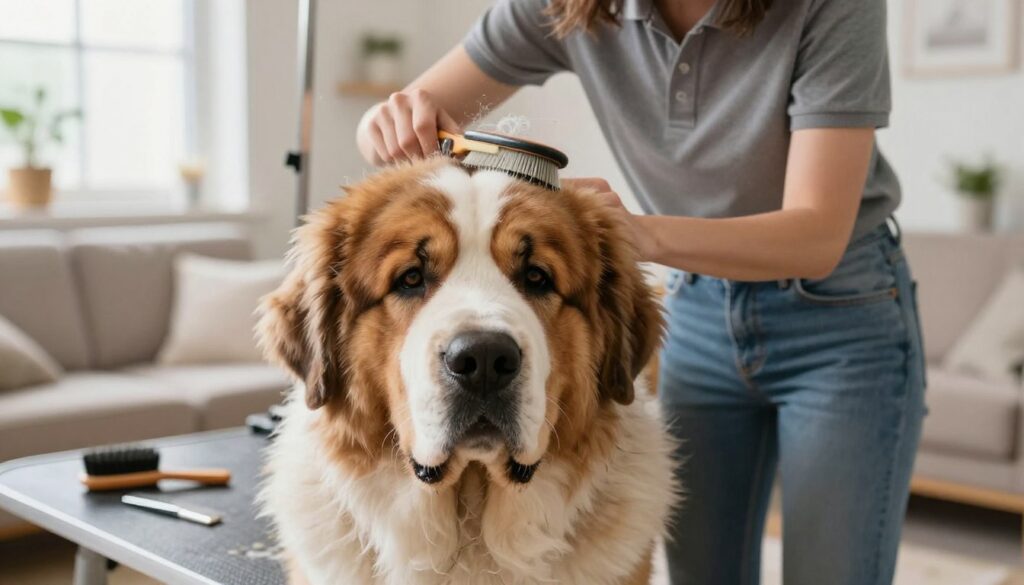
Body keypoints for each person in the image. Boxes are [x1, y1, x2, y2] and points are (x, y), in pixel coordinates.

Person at [354, 0, 926, 583]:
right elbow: (400, 126)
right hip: (698, 309)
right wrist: (387, 123)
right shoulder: (562, 7)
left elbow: (818, 234)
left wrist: (639, 232)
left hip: (840, 319)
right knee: (703, 573)